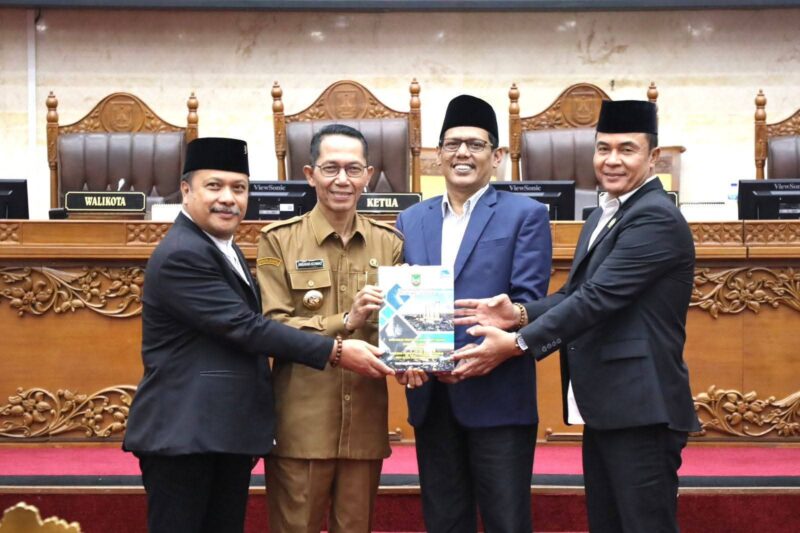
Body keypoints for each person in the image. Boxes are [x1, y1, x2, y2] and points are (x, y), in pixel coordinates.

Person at [122, 136, 393, 533]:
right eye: (214, 186)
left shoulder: (218, 246)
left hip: (221, 432)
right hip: (186, 433)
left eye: (239, 188)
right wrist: (336, 349)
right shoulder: (184, 253)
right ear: (185, 190)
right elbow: (249, 327)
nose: (228, 199)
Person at [454, 100, 701, 533]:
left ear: (653, 157)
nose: (612, 160)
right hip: (607, 406)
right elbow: (574, 293)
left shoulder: (655, 218)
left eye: (627, 150)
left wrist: (517, 344)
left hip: (643, 409)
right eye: (603, 148)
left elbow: (597, 301)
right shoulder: (605, 213)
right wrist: (518, 311)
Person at [394, 95, 552, 532]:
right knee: (443, 521)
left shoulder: (526, 215)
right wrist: (406, 353)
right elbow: (405, 297)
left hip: (497, 393)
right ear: (438, 155)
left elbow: (528, 303)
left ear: (497, 156)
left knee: (506, 521)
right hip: (432, 397)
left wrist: (489, 348)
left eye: (476, 144)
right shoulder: (411, 220)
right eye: (452, 144)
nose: (462, 153)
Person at [257, 124, 404, 533]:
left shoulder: (388, 243)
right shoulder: (279, 241)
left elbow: (398, 329)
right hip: (302, 426)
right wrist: (346, 321)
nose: (343, 180)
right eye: (331, 168)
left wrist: (417, 354)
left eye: (354, 169)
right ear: (309, 174)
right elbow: (272, 327)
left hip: (364, 425)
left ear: (369, 175)